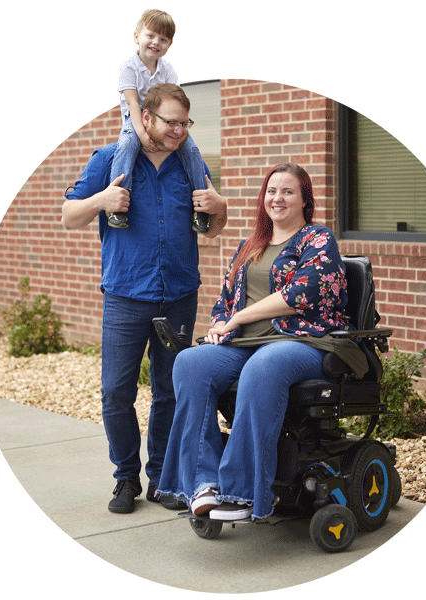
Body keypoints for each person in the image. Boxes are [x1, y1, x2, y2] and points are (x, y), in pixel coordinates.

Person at [157, 163, 368, 521]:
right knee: (190, 364)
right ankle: (203, 483)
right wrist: (221, 323)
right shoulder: (249, 245)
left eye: (288, 191)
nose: (277, 198)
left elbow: (302, 293)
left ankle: (240, 492)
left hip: (304, 341)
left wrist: (238, 318)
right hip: (245, 343)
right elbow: (225, 300)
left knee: (264, 365)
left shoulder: (318, 239)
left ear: (304, 200)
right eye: (272, 191)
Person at [62, 83, 227, 514]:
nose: (178, 130)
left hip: (178, 295)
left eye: (185, 123)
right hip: (125, 295)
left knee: (170, 391)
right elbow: (68, 216)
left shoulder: (190, 165)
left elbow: (209, 233)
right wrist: (101, 199)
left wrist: (220, 206)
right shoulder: (108, 159)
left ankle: (161, 477)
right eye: (170, 122)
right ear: (146, 118)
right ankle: (125, 479)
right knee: (116, 392)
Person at [108, 9, 207, 231]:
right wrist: (142, 134)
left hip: (164, 120)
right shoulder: (128, 68)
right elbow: (133, 104)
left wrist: (178, 128)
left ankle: (200, 208)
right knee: (127, 144)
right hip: (136, 118)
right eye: (151, 35)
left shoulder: (168, 69)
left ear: (169, 44)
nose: (156, 42)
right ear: (137, 36)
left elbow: (174, 100)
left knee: (191, 150)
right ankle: (117, 204)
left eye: (163, 39)